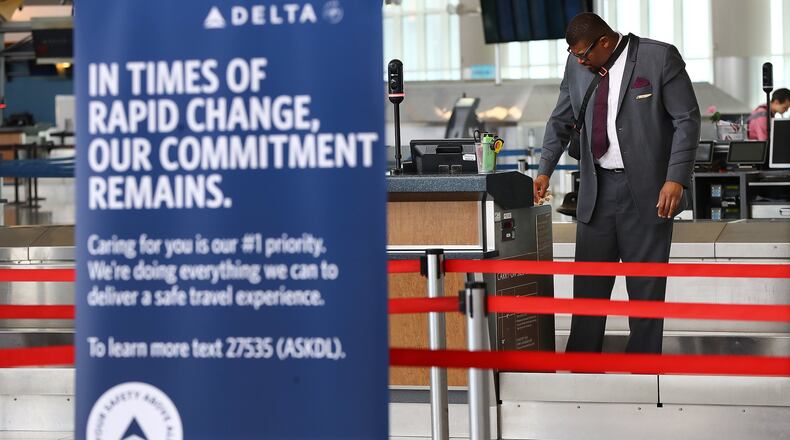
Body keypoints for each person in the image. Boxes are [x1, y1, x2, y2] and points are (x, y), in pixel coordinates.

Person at [534, 13, 700, 354]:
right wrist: (544, 169)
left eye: (584, 54)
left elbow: (687, 119)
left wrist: (676, 179)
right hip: (596, 191)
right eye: (574, 55)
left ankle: (642, 372)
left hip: (650, 193)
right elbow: (561, 119)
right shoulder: (576, 66)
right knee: (589, 291)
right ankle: (581, 368)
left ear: (605, 42)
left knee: (645, 292)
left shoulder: (658, 57)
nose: (579, 61)